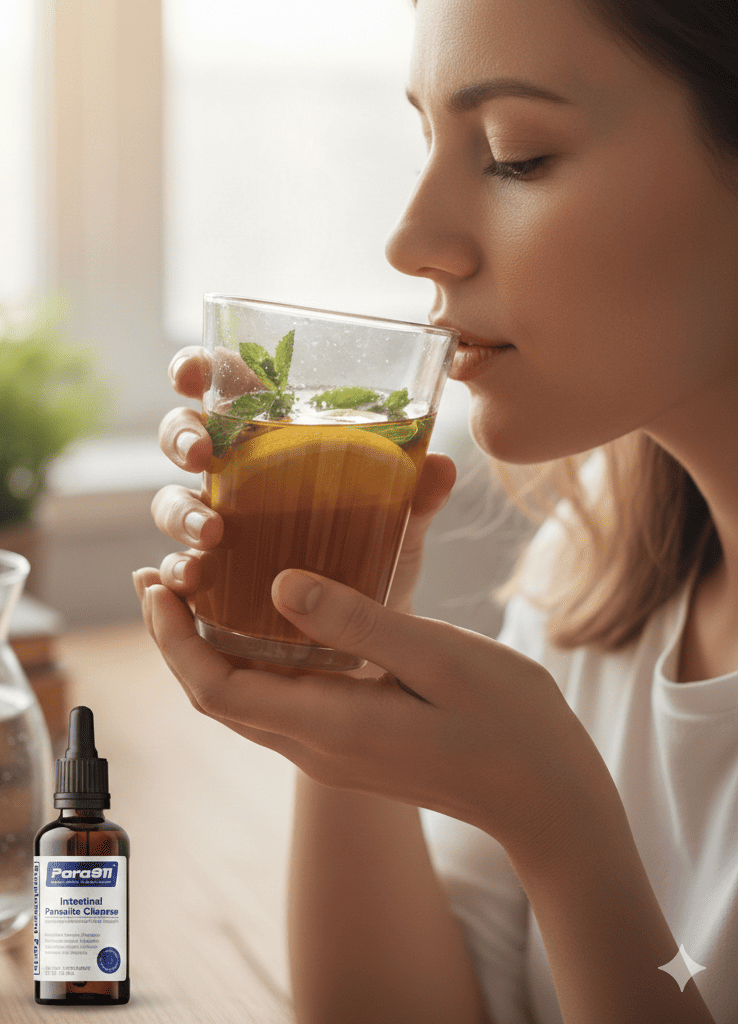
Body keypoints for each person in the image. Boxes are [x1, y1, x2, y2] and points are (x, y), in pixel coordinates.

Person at [132, 0, 738, 1020]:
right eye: (426, 139)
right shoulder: (596, 564)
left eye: (514, 154)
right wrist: (340, 669)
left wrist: (562, 829)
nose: (410, 240)